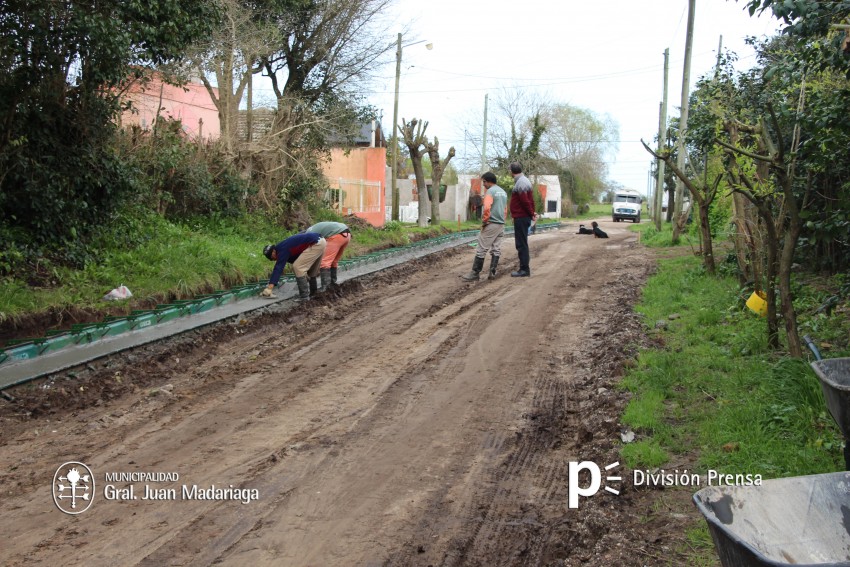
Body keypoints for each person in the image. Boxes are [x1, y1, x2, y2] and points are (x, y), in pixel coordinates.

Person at [462, 172, 508, 281]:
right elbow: (505, 209)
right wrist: (502, 220)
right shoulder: (503, 192)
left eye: (484, 182)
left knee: (481, 248)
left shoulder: (490, 192)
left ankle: (475, 273)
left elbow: (487, 208)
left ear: (488, 181)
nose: (483, 185)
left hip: (491, 223)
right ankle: (492, 272)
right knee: (496, 248)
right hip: (501, 224)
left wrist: (484, 222)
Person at [261, 232, 327, 301]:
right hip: (321, 241)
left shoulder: (282, 250)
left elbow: (278, 268)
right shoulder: (283, 247)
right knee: (311, 269)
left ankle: (304, 297)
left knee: (297, 267)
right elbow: (297, 259)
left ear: (273, 252)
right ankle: (313, 293)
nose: (275, 259)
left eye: (273, 258)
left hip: (316, 244)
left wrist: (270, 287)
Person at [508, 162, 537, 277]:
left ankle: (524, 269)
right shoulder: (523, 181)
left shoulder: (521, 183)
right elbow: (530, 200)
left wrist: (531, 213)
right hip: (522, 216)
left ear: (511, 171)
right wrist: (532, 212)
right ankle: (524, 268)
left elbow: (525, 201)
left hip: (521, 217)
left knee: (521, 244)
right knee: (522, 243)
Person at [306, 221, 352, 290]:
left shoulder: (307, 234)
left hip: (336, 235)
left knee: (325, 262)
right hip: (347, 235)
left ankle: (326, 288)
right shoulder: (313, 229)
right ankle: (333, 283)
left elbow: (313, 249)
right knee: (334, 261)